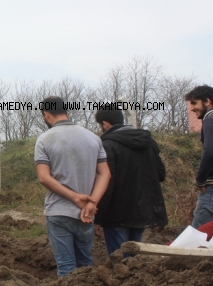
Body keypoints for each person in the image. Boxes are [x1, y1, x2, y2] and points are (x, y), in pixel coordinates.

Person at [34, 96, 111, 277]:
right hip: (86, 214)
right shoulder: (93, 138)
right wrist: (92, 202)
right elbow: (105, 173)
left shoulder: (44, 139)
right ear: (66, 112)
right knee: (85, 266)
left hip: (58, 212)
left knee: (66, 267)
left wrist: (74, 198)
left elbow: (44, 177)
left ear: (46, 115)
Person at [93, 109, 168, 257]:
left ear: (105, 124)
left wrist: (98, 218)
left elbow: (107, 184)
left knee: (118, 259)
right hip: (143, 211)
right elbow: (160, 174)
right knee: (134, 259)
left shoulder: (107, 146)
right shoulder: (148, 142)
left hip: (117, 214)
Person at [185, 85, 213, 228]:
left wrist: (200, 180)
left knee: (197, 237)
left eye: (195, 103)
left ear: (207, 101)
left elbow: (211, 152)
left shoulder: (211, 119)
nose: (192, 108)